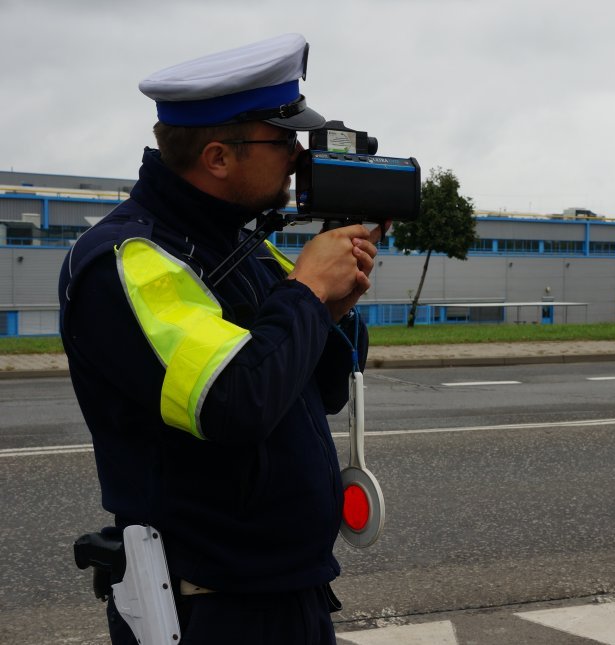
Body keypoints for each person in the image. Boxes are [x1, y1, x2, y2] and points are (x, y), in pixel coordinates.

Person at [59, 33, 382, 645]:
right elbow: (233, 403)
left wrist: (333, 309)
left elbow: (321, 391)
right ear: (217, 157)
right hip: (209, 609)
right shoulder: (131, 261)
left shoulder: (241, 245)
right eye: (283, 138)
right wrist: (307, 294)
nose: (297, 156)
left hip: (285, 590)